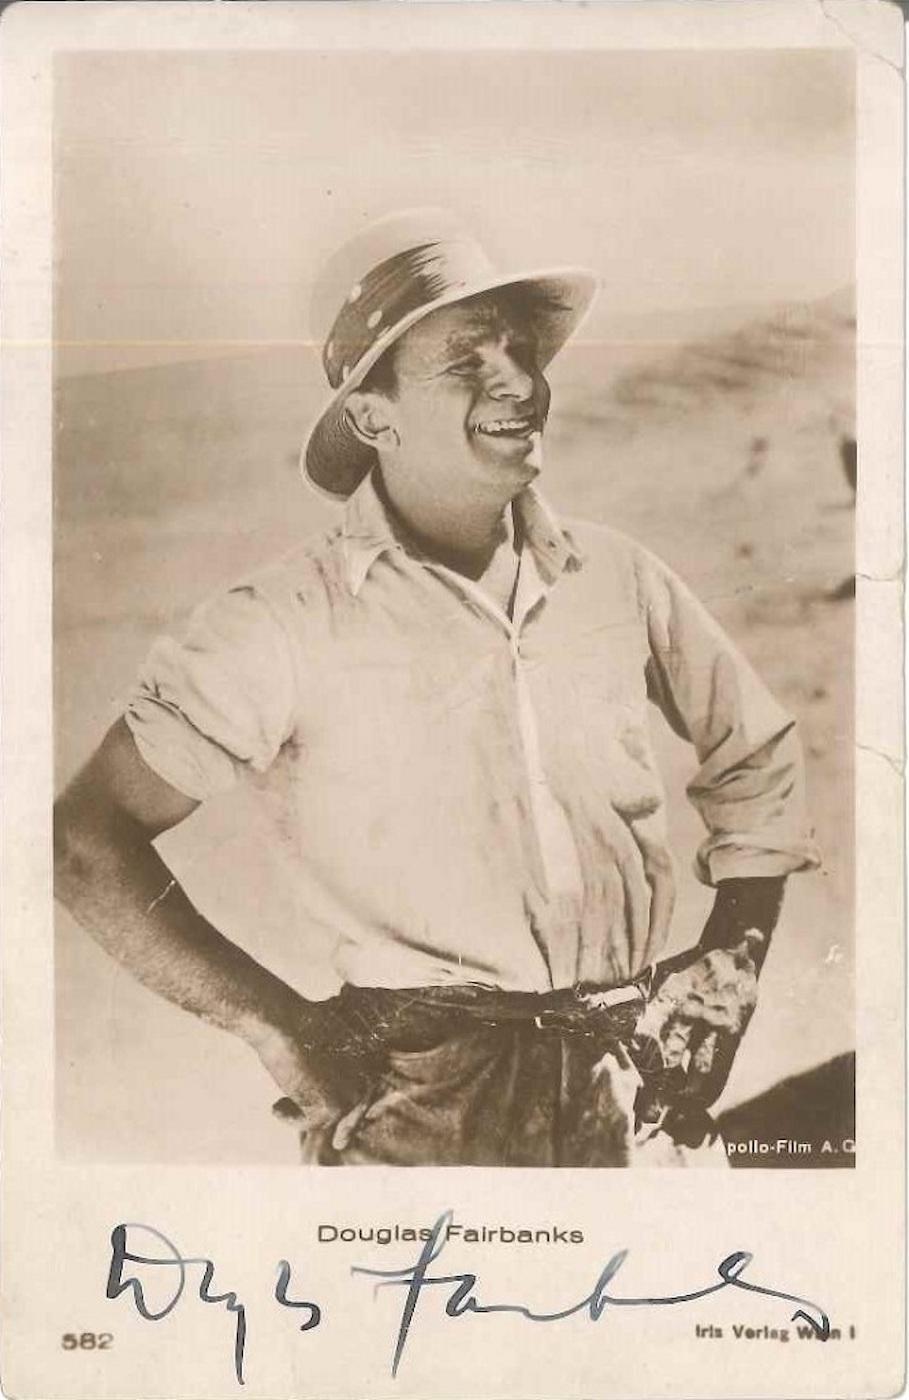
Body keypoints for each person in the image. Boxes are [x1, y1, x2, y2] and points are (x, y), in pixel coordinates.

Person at [54, 209, 821, 1167]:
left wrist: (733, 957)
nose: (521, 382)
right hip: (415, 1110)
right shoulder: (284, 619)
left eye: (521, 348)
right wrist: (277, 1027)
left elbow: (755, 751)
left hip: (632, 1095)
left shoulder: (616, 578)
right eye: (467, 360)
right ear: (373, 417)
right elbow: (87, 840)